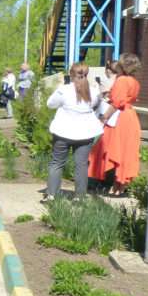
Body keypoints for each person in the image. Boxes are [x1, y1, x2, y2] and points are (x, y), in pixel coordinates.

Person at [43, 62, 102, 201]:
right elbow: (96, 105)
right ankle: (79, 197)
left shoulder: (64, 90)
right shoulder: (94, 92)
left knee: (57, 163)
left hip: (63, 132)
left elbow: (50, 104)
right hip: (86, 133)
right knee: (81, 165)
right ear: (87, 75)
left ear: (71, 75)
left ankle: (51, 195)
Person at [89, 54, 142, 196]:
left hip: (119, 118)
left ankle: (101, 184)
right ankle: (120, 186)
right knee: (125, 151)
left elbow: (116, 103)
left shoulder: (122, 80)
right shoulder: (134, 81)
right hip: (130, 117)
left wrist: (104, 117)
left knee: (107, 148)